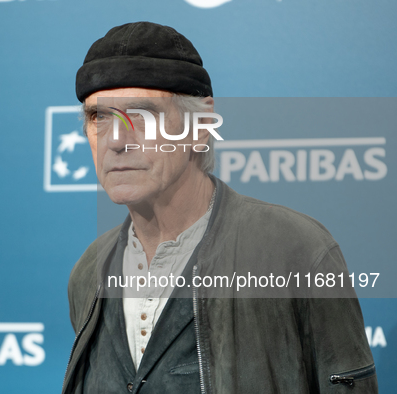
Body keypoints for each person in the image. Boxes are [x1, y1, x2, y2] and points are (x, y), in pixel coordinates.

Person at [62, 22, 377, 394]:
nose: (116, 140)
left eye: (142, 115)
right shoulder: (89, 273)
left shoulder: (294, 250)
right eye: (100, 117)